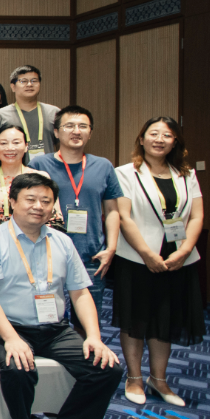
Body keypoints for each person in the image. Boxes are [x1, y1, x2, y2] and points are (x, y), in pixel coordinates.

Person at [0, 173, 122, 419]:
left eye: (46, 201)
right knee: (18, 368)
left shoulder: (62, 242)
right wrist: (11, 338)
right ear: (12, 202)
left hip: (54, 329)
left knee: (106, 368)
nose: (38, 206)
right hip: (5, 326)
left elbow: (80, 293)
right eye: (30, 199)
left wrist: (94, 336)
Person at [114, 117, 204, 407]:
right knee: (135, 318)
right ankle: (134, 378)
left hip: (177, 257)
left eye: (167, 135)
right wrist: (147, 254)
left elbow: (197, 215)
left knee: (166, 319)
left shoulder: (186, 174)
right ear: (142, 139)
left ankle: (159, 380)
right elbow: (124, 216)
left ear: (175, 141)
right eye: (154, 134)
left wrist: (185, 250)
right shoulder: (125, 173)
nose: (160, 139)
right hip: (138, 257)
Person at [29, 106, 122, 322]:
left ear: (90, 132)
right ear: (56, 132)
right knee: (46, 318)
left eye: (83, 126)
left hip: (91, 257)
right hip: (46, 255)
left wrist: (111, 248)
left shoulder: (103, 166)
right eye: (69, 126)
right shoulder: (39, 164)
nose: (76, 131)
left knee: (87, 321)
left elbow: (112, 210)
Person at [0, 125, 54, 233]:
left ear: (26, 146)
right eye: (3, 143)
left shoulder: (41, 177)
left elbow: (53, 217)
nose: (10, 148)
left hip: (32, 240)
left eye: (16, 142)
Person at [0, 66, 58, 171]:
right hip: (11, 175)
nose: (29, 84)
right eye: (23, 81)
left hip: (48, 173)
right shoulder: (0, 115)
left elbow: (63, 145)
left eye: (34, 81)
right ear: (13, 86)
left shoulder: (54, 113)